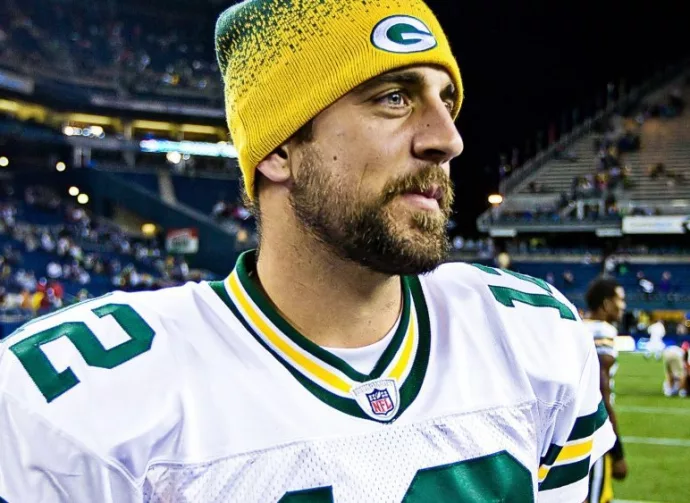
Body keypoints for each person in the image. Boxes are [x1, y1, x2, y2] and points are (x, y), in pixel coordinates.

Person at [0, 1, 614, 501]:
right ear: (279, 149)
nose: (446, 139)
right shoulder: (82, 402)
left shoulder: (535, 339)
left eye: (445, 102)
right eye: (394, 98)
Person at [583, 276, 629, 503]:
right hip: (593, 430)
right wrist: (617, 449)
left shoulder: (578, 324)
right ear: (605, 304)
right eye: (619, 299)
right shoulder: (603, 330)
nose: (623, 305)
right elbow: (600, 392)